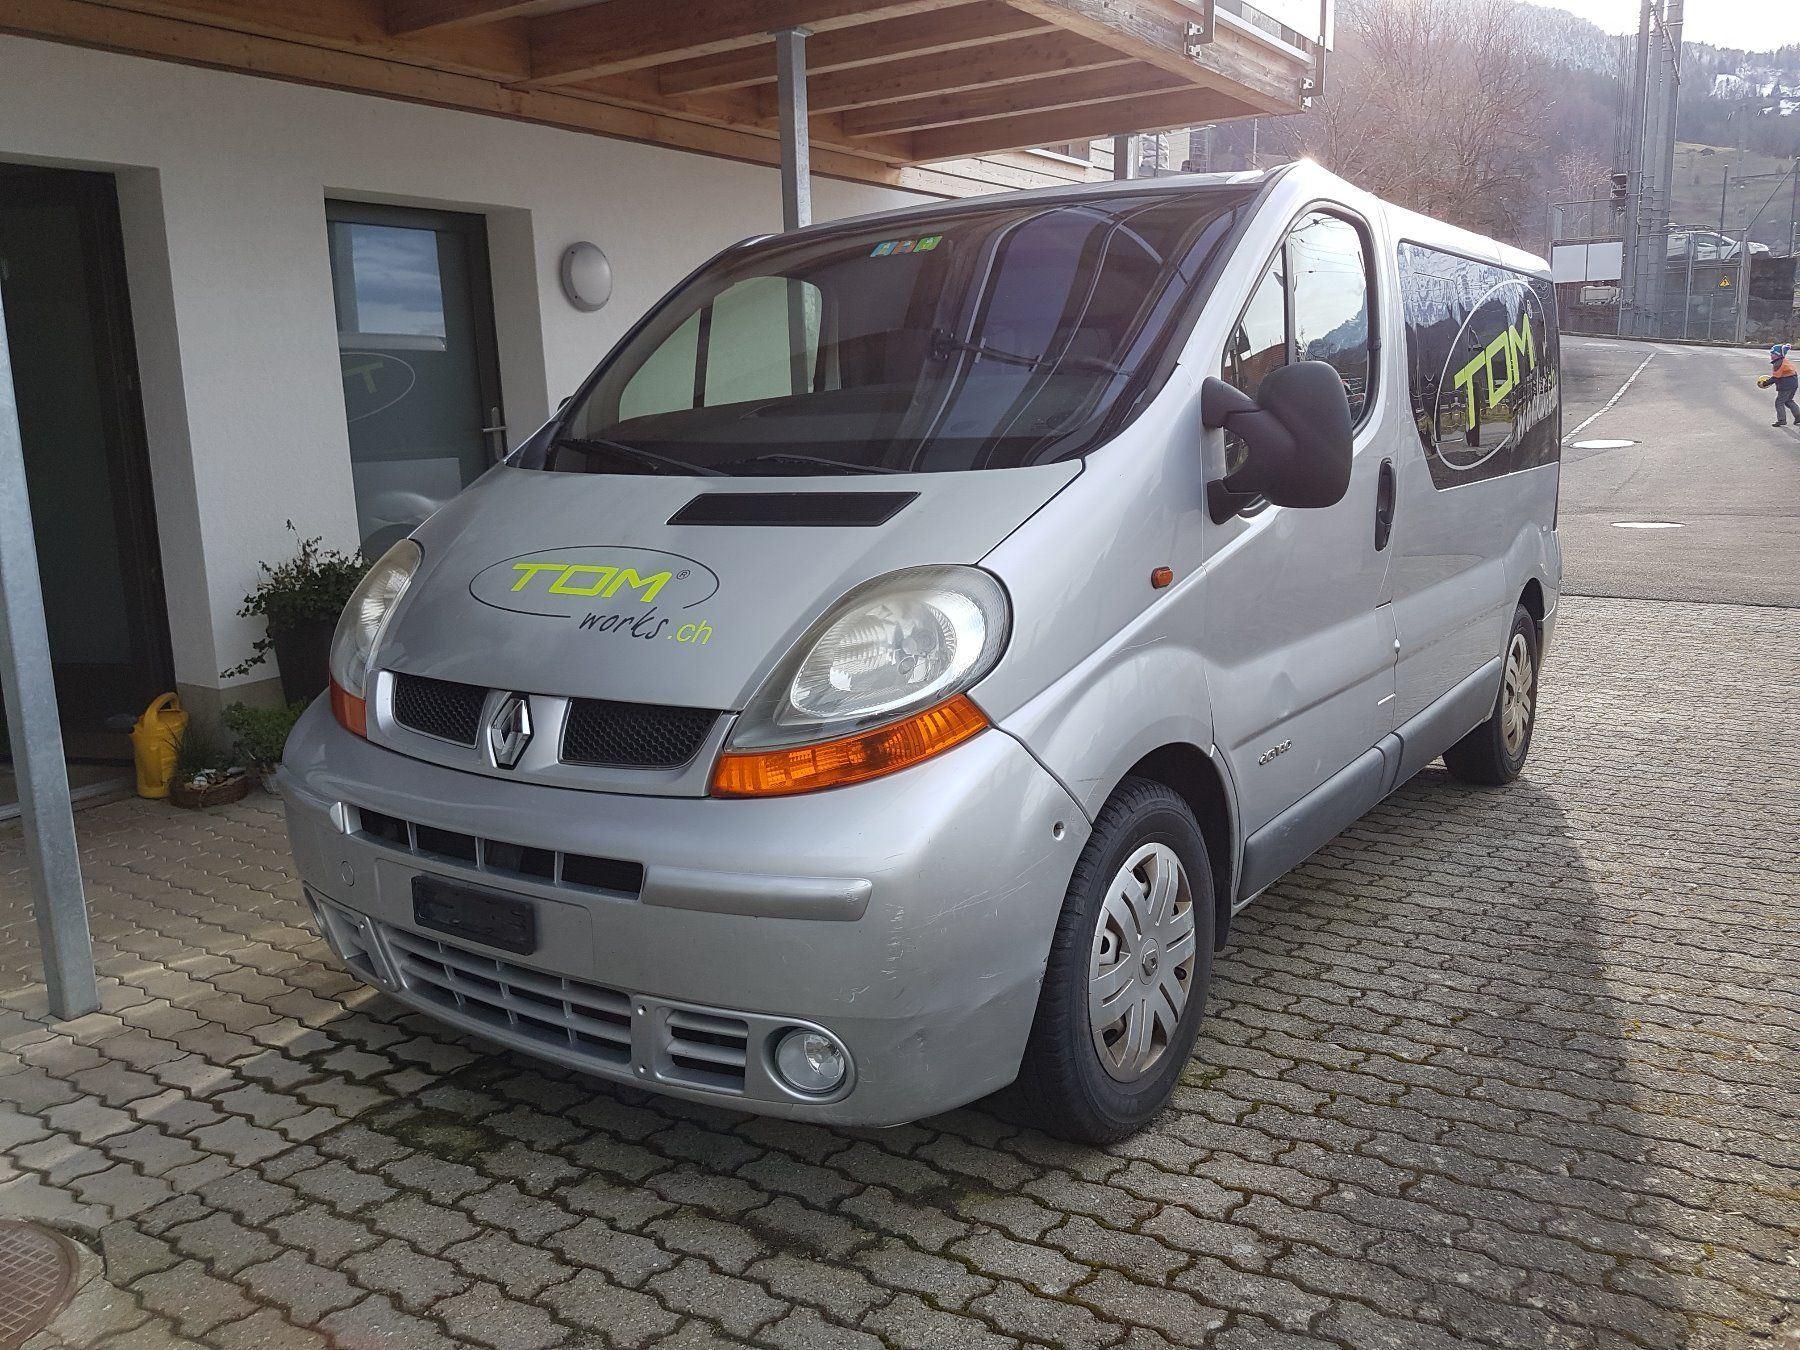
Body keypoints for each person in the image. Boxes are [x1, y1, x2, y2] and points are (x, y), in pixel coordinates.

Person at [1764, 343, 1799, 427]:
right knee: (1788, 400)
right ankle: (1798, 416)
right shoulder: (1783, 361)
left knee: (1779, 402)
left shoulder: (1778, 364)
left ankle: (1781, 420)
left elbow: (1776, 377)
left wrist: (1766, 383)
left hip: (1786, 385)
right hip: (1793, 382)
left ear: (1778, 355)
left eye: (1773, 354)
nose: (1771, 355)